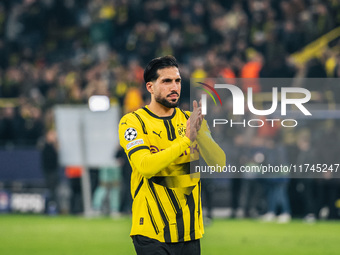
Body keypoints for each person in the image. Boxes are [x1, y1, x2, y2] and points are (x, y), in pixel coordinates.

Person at [118, 56, 225, 255]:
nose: (174, 86)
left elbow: (219, 163)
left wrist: (200, 135)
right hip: (152, 231)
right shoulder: (133, 122)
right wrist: (186, 140)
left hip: (190, 231)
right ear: (150, 87)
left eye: (177, 81)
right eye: (166, 81)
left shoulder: (189, 119)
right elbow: (145, 166)